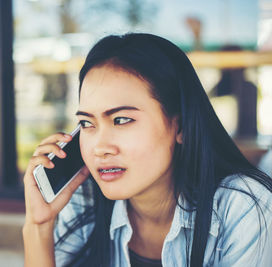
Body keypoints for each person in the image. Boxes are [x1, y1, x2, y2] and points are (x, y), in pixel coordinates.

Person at [23, 33, 272, 267]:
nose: (99, 148)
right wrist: (38, 225)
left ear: (181, 125)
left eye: (121, 120)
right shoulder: (85, 200)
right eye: (87, 123)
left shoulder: (243, 206)